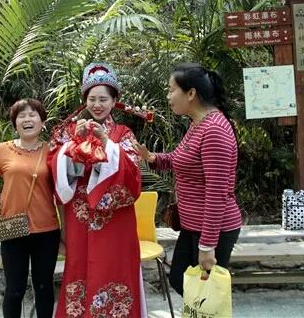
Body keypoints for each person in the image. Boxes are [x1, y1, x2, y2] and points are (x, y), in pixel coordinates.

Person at [133, 62, 242, 295]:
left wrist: (207, 245)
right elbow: (180, 159)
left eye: (172, 89)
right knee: (181, 281)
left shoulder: (214, 131)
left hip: (214, 230)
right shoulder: (198, 124)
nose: (168, 95)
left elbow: (217, 192)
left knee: (206, 295)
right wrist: (152, 158)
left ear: (191, 93)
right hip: (194, 226)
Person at [49, 62, 146, 317]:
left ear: (115, 101)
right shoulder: (67, 131)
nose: (97, 105)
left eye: (103, 99)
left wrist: (107, 145)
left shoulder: (124, 134)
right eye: (92, 99)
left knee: (114, 271)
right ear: (84, 101)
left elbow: (133, 178)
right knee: (79, 270)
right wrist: (72, 146)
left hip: (115, 221)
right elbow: (53, 166)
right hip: (79, 218)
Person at [0, 99, 60, 318]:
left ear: (42, 121)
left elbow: (65, 190)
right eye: (21, 115)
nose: (27, 119)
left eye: (32, 114)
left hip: (47, 231)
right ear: (15, 122)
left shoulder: (53, 151)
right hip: (13, 228)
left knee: (44, 287)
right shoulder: (4, 150)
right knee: (14, 289)